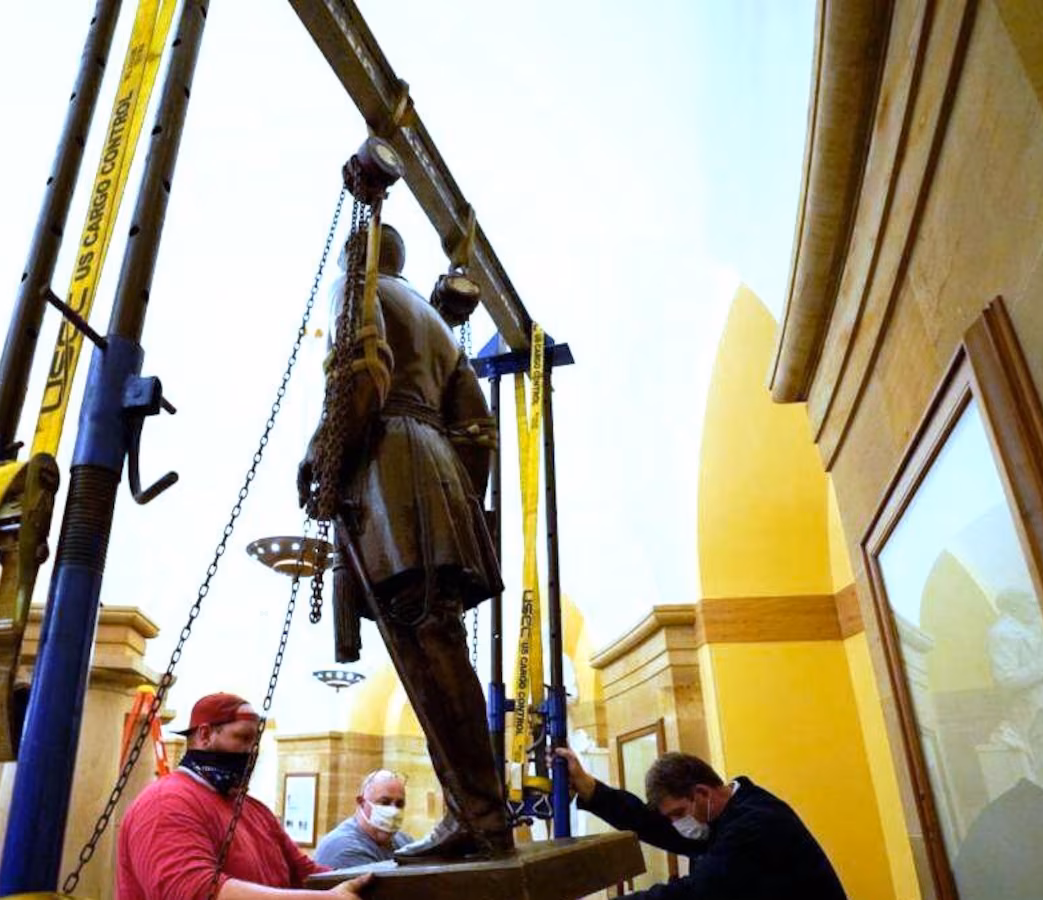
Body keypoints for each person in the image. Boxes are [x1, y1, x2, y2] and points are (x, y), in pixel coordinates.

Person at [299, 222, 510, 861]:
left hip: (390, 471)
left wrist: (321, 453)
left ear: (355, 254)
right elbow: (477, 430)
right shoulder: (438, 322)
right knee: (438, 637)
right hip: (438, 473)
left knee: (425, 640)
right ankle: (478, 811)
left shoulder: (353, 285)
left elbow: (359, 368)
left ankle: (478, 815)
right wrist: (460, 498)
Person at [117, 692, 370, 900]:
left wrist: (378, 882)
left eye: (255, 742)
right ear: (204, 735)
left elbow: (307, 873)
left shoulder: (254, 810)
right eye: (243, 738)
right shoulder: (167, 802)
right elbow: (196, 891)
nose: (252, 752)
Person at [552, 748, 846, 899]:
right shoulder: (720, 816)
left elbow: (695, 893)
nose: (677, 824)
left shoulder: (756, 824)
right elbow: (651, 823)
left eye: (678, 814)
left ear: (702, 793)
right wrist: (592, 789)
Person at [313, 770, 414, 870]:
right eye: (384, 802)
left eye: (399, 804)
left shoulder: (404, 841)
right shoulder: (344, 846)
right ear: (361, 802)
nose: (394, 811)